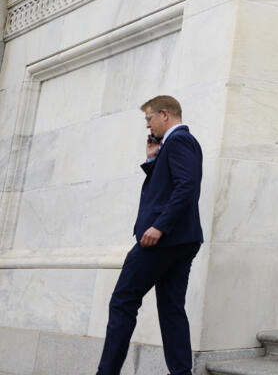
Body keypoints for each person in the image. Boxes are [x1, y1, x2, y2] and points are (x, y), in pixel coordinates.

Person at [96, 96, 203, 375]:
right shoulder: (173, 144)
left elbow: (186, 187)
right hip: (180, 240)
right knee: (171, 310)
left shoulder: (179, 140)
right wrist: (152, 161)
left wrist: (160, 226)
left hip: (162, 240)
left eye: (149, 118)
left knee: (123, 301)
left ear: (164, 114)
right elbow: (171, 184)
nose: (147, 125)